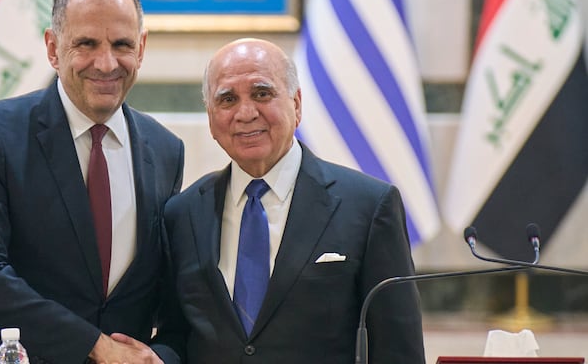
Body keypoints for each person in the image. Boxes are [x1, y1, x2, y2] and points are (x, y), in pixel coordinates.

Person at [0, 0, 184, 364]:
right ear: (53, 49)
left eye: (121, 44)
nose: (106, 63)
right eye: (86, 43)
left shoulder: (165, 149)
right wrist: (95, 345)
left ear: (141, 49)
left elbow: (165, 292)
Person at [157, 38, 425, 363]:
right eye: (227, 99)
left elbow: (398, 349)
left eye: (261, 93)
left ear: (297, 104)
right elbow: (177, 334)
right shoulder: (182, 214)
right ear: (212, 119)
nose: (245, 113)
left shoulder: (369, 206)